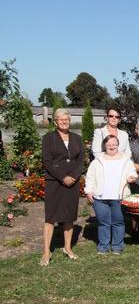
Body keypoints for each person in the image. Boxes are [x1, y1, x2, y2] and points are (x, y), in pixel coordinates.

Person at [41, 108, 85, 266]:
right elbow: (47, 161)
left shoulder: (77, 138)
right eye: (61, 119)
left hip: (73, 181)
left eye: (67, 119)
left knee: (69, 215)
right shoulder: (48, 138)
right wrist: (63, 177)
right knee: (51, 216)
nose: (64, 121)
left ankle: (67, 248)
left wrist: (73, 176)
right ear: (55, 122)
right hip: (54, 181)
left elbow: (80, 161)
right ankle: (47, 251)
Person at [85, 135, 137, 254]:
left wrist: (132, 177)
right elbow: (90, 177)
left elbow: (133, 172)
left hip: (119, 197)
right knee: (103, 223)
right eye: (109, 144)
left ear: (118, 145)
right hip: (100, 198)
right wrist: (88, 191)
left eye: (114, 144)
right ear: (105, 146)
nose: (112, 146)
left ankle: (117, 246)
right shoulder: (97, 160)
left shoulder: (126, 160)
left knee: (118, 222)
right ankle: (103, 246)